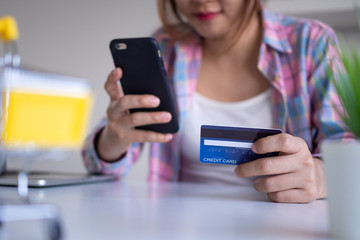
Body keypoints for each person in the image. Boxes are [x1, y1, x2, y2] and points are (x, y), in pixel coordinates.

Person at [82, 0, 354, 203]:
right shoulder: (166, 48)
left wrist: (321, 176)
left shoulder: (312, 42)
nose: (201, 1)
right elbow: (99, 165)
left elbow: (351, 151)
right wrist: (113, 138)